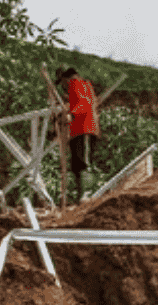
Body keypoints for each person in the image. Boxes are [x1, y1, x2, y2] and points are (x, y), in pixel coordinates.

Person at [56, 67, 100, 203]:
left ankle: (86, 195)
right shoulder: (78, 88)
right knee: (76, 165)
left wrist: (71, 115)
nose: (62, 86)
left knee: (83, 163)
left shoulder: (77, 84)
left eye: (62, 82)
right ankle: (81, 197)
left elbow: (84, 104)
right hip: (78, 131)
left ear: (66, 79)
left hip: (84, 129)